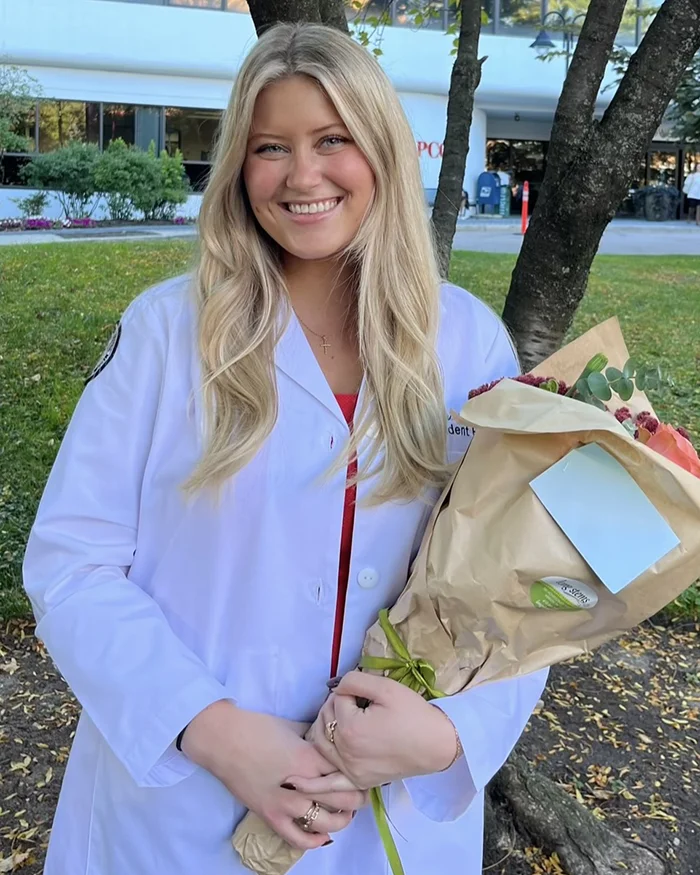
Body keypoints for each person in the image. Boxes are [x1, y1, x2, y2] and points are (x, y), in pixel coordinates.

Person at [23, 22, 548, 875]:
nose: (302, 175)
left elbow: (516, 582)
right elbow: (72, 564)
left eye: (332, 139)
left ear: (380, 148)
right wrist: (213, 728)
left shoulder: (469, 344)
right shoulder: (166, 333)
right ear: (239, 166)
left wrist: (452, 732)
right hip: (182, 813)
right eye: (271, 147)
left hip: (388, 822)